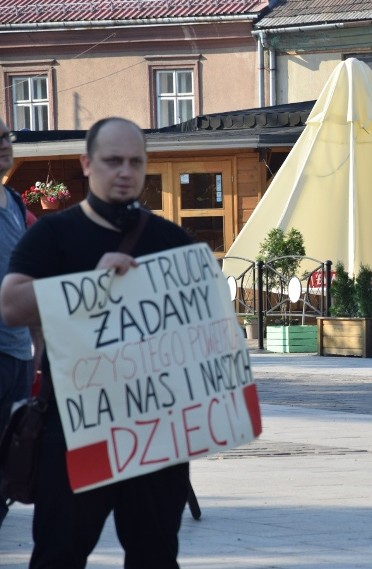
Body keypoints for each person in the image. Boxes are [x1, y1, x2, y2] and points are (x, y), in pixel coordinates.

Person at [0, 117, 193, 568]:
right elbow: (11, 305)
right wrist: (91, 283)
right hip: (74, 426)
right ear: (87, 164)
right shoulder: (52, 234)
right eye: (112, 161)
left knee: (156, 555)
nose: (124, 171)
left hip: (154, 430)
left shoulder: (170, 238)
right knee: (60, 555)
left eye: (134, 162)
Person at [0, 119, 35, 528]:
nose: (4, 144)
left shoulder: (13, 201)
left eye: (7, 136)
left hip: (18, 350)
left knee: (13, 450)